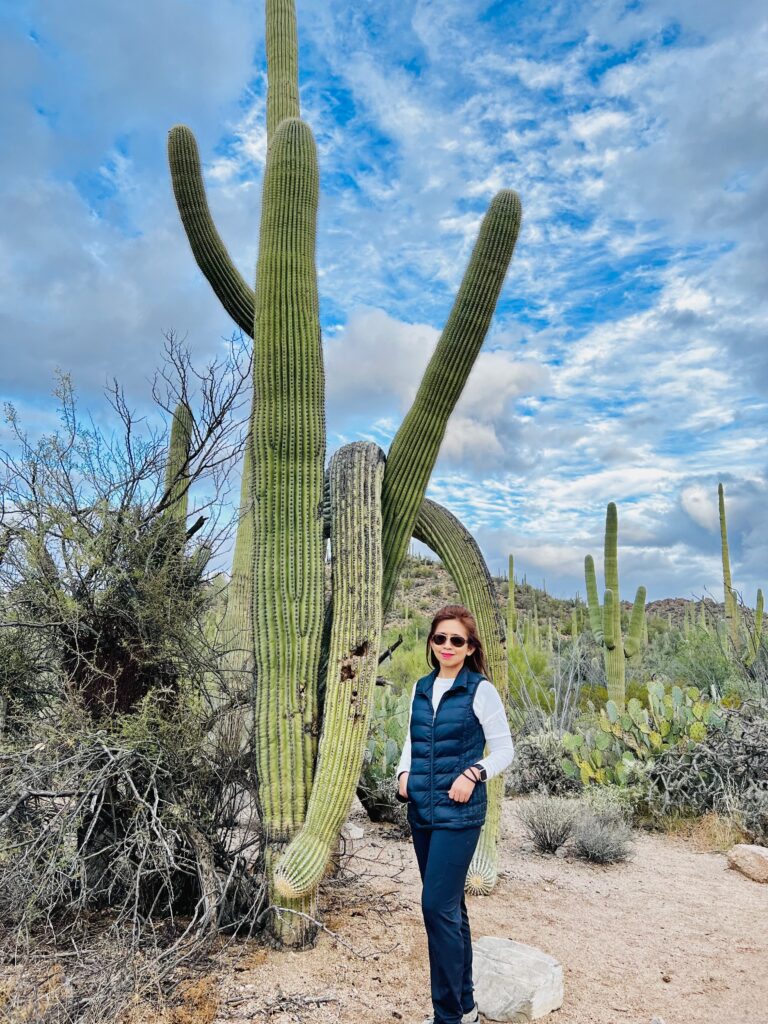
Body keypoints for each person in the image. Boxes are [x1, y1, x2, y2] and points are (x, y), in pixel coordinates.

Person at [396, 604, 515, 1024]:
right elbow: (412, 740)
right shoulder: (420, 687)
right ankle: (464, 1006)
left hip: (460, 814)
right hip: (422, 810)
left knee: (435, 907)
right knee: (449, 908)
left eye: (456, 640)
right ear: (431, 643)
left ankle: (446, 1017)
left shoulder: (480, 690)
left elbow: (504, 750)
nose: (447, 646)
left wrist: (473, 772)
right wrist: (402, 773)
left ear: (469, 648)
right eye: (440, 638)